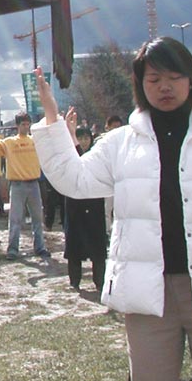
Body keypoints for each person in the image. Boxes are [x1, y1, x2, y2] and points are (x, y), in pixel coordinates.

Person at [31, 36, 192, 381]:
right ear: (140, 85)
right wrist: (51, 117)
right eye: (154, 79)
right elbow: (74, 179)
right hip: (148, 290)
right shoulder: (121, 142)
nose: (165, 86)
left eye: (174, 77)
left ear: (191, 79)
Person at [0, 113, 51, 260]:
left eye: (28, 124)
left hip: (34, 183)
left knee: (37, 218)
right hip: (17, 185)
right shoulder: (9, 142)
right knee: (15, 219)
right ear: (17, 126)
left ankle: (40, 247)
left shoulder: (35, 141)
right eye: (23, 124)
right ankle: (12, 249)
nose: (26, 127)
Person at [60, 124, 107, 292]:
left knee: (97, 245)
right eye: (80, 138)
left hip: (94, 203)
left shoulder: (97, 155)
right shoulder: (70, 155)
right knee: (74, 244)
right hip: (75, 204)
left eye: (86, 138)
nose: (84, 141)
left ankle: (100, 281)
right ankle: (74, 281)